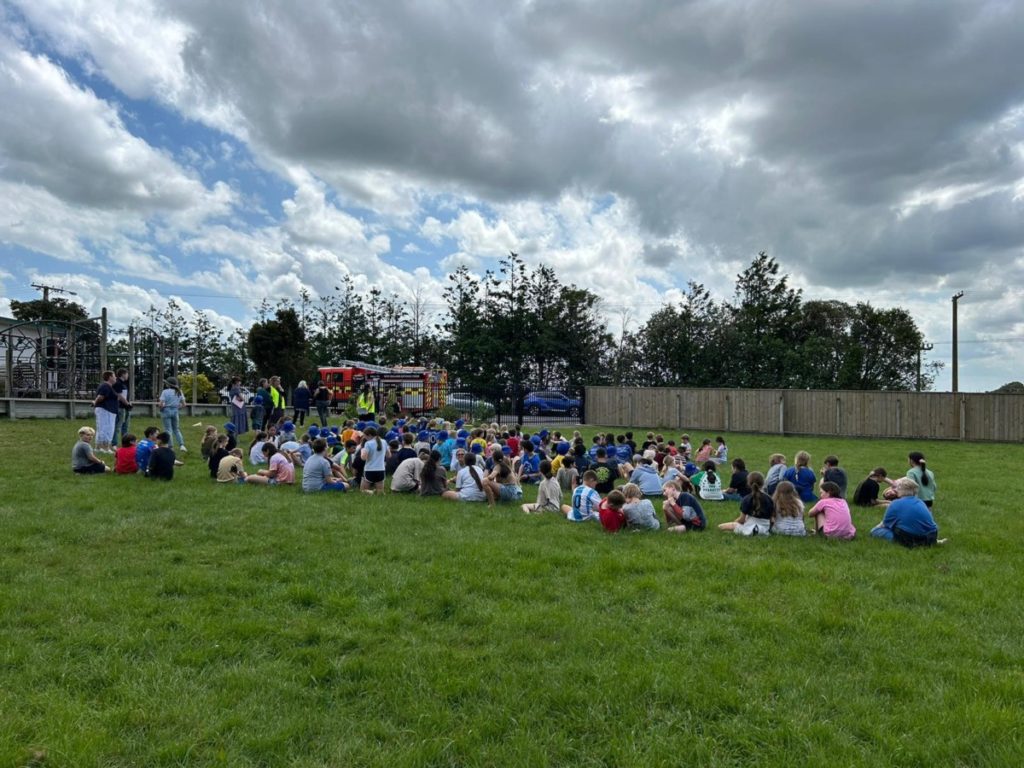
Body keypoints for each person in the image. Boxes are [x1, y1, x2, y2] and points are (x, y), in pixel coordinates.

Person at [871, 477, 943, 547]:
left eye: (896, 487)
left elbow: (885, 524)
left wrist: (876, 528)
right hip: (932, 536)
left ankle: (912, 542)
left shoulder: (895, 503)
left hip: (912, 539)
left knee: (876, 531)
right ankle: (931, 542)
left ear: (900, 489)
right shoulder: (920, 502)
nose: (895, 489)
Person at [719, 471, 773, 536]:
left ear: (748, 484)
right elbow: (772, 520)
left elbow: (741, 520)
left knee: (721, 526)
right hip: (765, 530)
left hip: (749, 529)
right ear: (763, 483)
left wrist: (734, 523)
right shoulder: (769, 499)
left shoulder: (747, 499)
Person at [92, 370, 119, 454]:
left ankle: (99, 447)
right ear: (110, 377)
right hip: (106, 410)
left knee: (102, 428)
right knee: (106, 428)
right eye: (114, 376)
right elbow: (100, 397)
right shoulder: (105, 386)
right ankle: (105, 447)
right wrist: (95, 403)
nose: (115, 378)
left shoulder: (108, 386)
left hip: (108, 410)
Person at [158, 376, 187, 452]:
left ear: (168, 384)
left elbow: (161, 404)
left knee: (168, 430)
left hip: (166, 410)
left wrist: (161, 408)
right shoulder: (179, 391)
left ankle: (170, 447)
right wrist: (178, 407)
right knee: (176, 429)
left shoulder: (165, 392)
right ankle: (182, 445)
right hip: (175, 411)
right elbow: (184, 404)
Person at [359, 426, 390, 493]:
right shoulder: (384, 442)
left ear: (369, 435)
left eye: (365, 436)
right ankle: (376, 493)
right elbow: (389, 455)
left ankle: (372, 492)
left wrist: (362, 450)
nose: (365, 438)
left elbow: (363, 458)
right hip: (381, 469)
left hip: (369, 469)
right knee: (380, 492)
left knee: (363, 491)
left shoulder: (368, 443)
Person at [112, 368, 132, 442]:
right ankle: (114, 442)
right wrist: (127, 403)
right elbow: (120, 396)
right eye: (127, 374)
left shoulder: (123, 383)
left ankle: (126, 442)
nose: (128, 376)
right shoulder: (118, 383)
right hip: (120, 407)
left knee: (125, 426)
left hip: (125, 407)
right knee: (118, 426)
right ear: (123, 374)